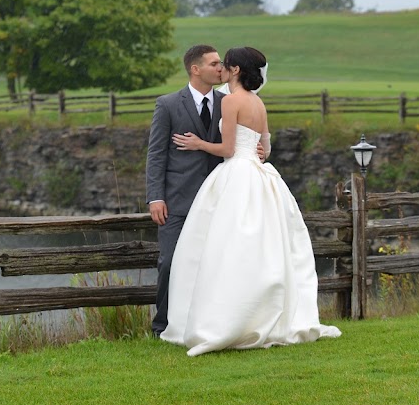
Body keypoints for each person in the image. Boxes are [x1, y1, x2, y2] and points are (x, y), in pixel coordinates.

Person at [160, 46, 342, 356]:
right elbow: (265, 148)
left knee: (227, 248)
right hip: (259, 174)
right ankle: (261, 314)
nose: (221, 69)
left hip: (236, 174)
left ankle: (228, 317)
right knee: (258, 248)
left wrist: (199, 143)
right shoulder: (258, 102)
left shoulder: (231, 101)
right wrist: (257, 152)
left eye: (225, 65)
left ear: (235, 70)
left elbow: (228, 149)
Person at [145, 44, 226, 336]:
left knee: (213, 264)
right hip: (177, 200)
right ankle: (163, 326)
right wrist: (155, 197)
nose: (221, 68)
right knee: (169, 262)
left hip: (218, 198)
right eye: (214, 63)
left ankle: (206, 324)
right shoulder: (167, 104)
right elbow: (156, 154)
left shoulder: (227, 102)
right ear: (195, 69)